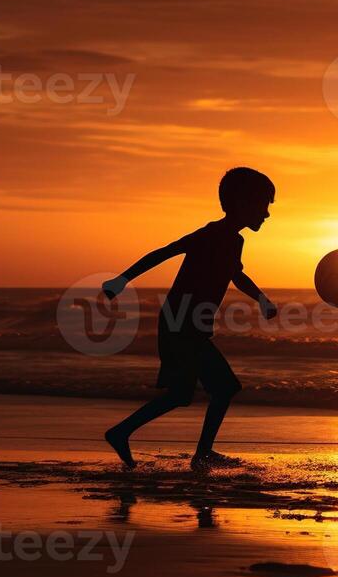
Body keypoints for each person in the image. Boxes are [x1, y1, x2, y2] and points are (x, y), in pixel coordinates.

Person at [101, 167, 278, 472]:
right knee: (213, 389)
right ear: (241, 202)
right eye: (264, 205)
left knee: (196, 392)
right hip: (179, 323)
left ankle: (127, 434)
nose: (267, 214)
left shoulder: (234, 242)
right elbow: (163, 253)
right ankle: (197, 453)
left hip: (191, 326)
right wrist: (122, 280)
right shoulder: (209, 234)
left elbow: (236, 275)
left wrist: (261, 298)